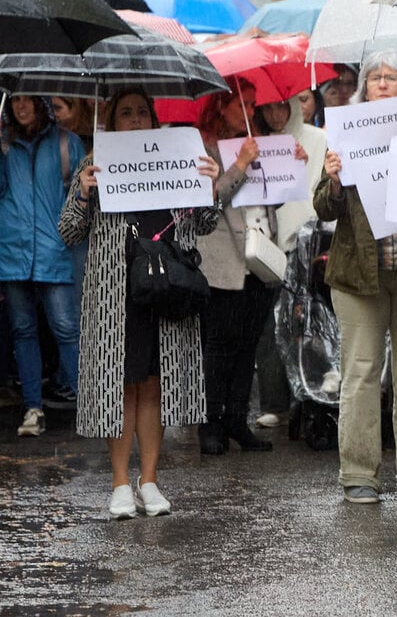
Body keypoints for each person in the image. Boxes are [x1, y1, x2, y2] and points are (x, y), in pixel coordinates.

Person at [58, 87, 221, 519]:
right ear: (112, 122)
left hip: (166, 289)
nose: (134, 120)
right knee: (120, 386)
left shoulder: (178, 157)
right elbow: (69, 232)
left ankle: (149, 481)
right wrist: (83, 192)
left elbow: (204, 223)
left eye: (141, 113)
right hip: (114, 294)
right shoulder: (93, 163)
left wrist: (211, 185)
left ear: (153, 119)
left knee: (154, 384)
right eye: (125, 113)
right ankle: (119, 484)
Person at [314, 50, 397, 505]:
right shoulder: (344, 133)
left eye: (392, 78)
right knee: (361, 373)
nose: (383, 83)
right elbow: (323, 209)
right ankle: (359, 474)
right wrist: (332, 180)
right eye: (375, 77)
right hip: (357, 277)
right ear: (364, 88)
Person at [194, 77, 306, 455]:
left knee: (248, 346)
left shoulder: (261, 143)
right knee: (218, 347)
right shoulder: (205, 146)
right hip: (223, 260)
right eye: (242, 101)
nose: (250, 109)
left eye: (253, 102)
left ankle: (237, 420)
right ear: (220, 104)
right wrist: (240, 164)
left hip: (262, 258)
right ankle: (210, 425)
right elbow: (209, 202)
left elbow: (272, 198)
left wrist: (292, 166)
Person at [0, 95, 87, 437]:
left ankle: (89, 404)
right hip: (12, 249)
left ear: (40, 103)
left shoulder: (68, 142)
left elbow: (85, 200)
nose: (21, 107)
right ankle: (33, 407)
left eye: (28, 100)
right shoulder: (4, 146)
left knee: (66, 329)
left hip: (55, 249)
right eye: (16, 101)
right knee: (22, 330)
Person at [254, 93, 327, 429]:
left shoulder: (318, 139)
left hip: (312, 245)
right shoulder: (256, 146)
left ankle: (311, 397)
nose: (276, 112)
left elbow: (323, 190)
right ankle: (274, 402)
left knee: (311, 325)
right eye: (268, 106)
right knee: (272, 325)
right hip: (272, 246)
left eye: (282, 104)